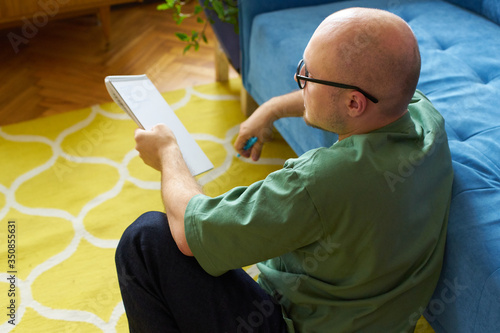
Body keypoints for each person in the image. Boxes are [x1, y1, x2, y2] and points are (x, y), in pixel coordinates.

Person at [115, 7, 453, 333]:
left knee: (146, 239)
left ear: (353, 103)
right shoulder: (426, 121)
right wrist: (273, 108)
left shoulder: (319, 181)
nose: (299, 79)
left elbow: (192, 233)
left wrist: (168, 153)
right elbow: (361, 98)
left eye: (308, 75)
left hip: (295, 324)